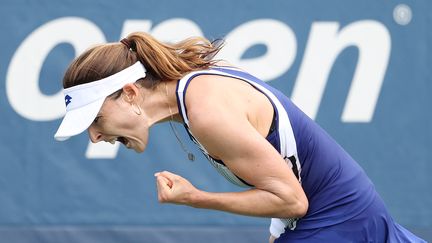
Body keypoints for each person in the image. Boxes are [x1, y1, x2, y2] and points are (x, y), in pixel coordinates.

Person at [54, 32, 425, 243]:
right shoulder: (194, 92)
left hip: (340, 219)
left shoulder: (206, 113)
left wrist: (195, 198)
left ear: (131, 93)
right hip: (347, 213)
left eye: (96, 118)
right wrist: (278, 230)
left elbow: (291, 200)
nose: (94, 136)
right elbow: (286, 172)